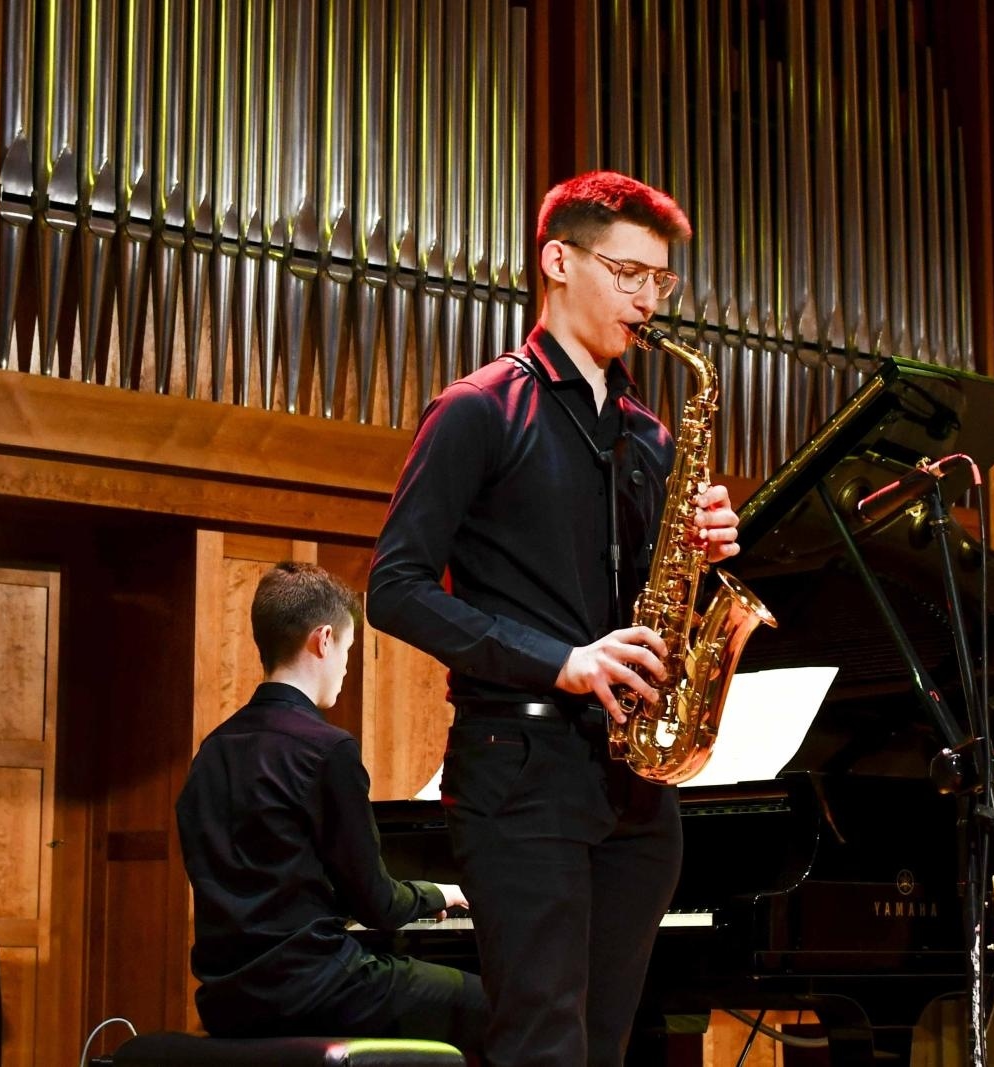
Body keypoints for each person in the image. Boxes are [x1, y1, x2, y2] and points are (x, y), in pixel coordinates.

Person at [367, 171, 740, 1066]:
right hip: (521, 770)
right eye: (628, 274)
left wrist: (707, 549)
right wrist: (560, 660)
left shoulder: (651, 438)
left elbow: (659, 601)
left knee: (605, 1045)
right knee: (542, 1044)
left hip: (635, 788)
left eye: (660, 281)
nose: (647, 300)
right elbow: (395, 586)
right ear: (558, 260)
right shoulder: (479, 409)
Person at [176, 561, 486, 1052]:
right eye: (347, 649)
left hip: (226, 998)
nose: (344, 666)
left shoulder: (212, 750)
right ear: (323, 640)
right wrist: (438, 893)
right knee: (496, 1005)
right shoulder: (327, 749)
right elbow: (378, 905)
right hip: (315, 989)